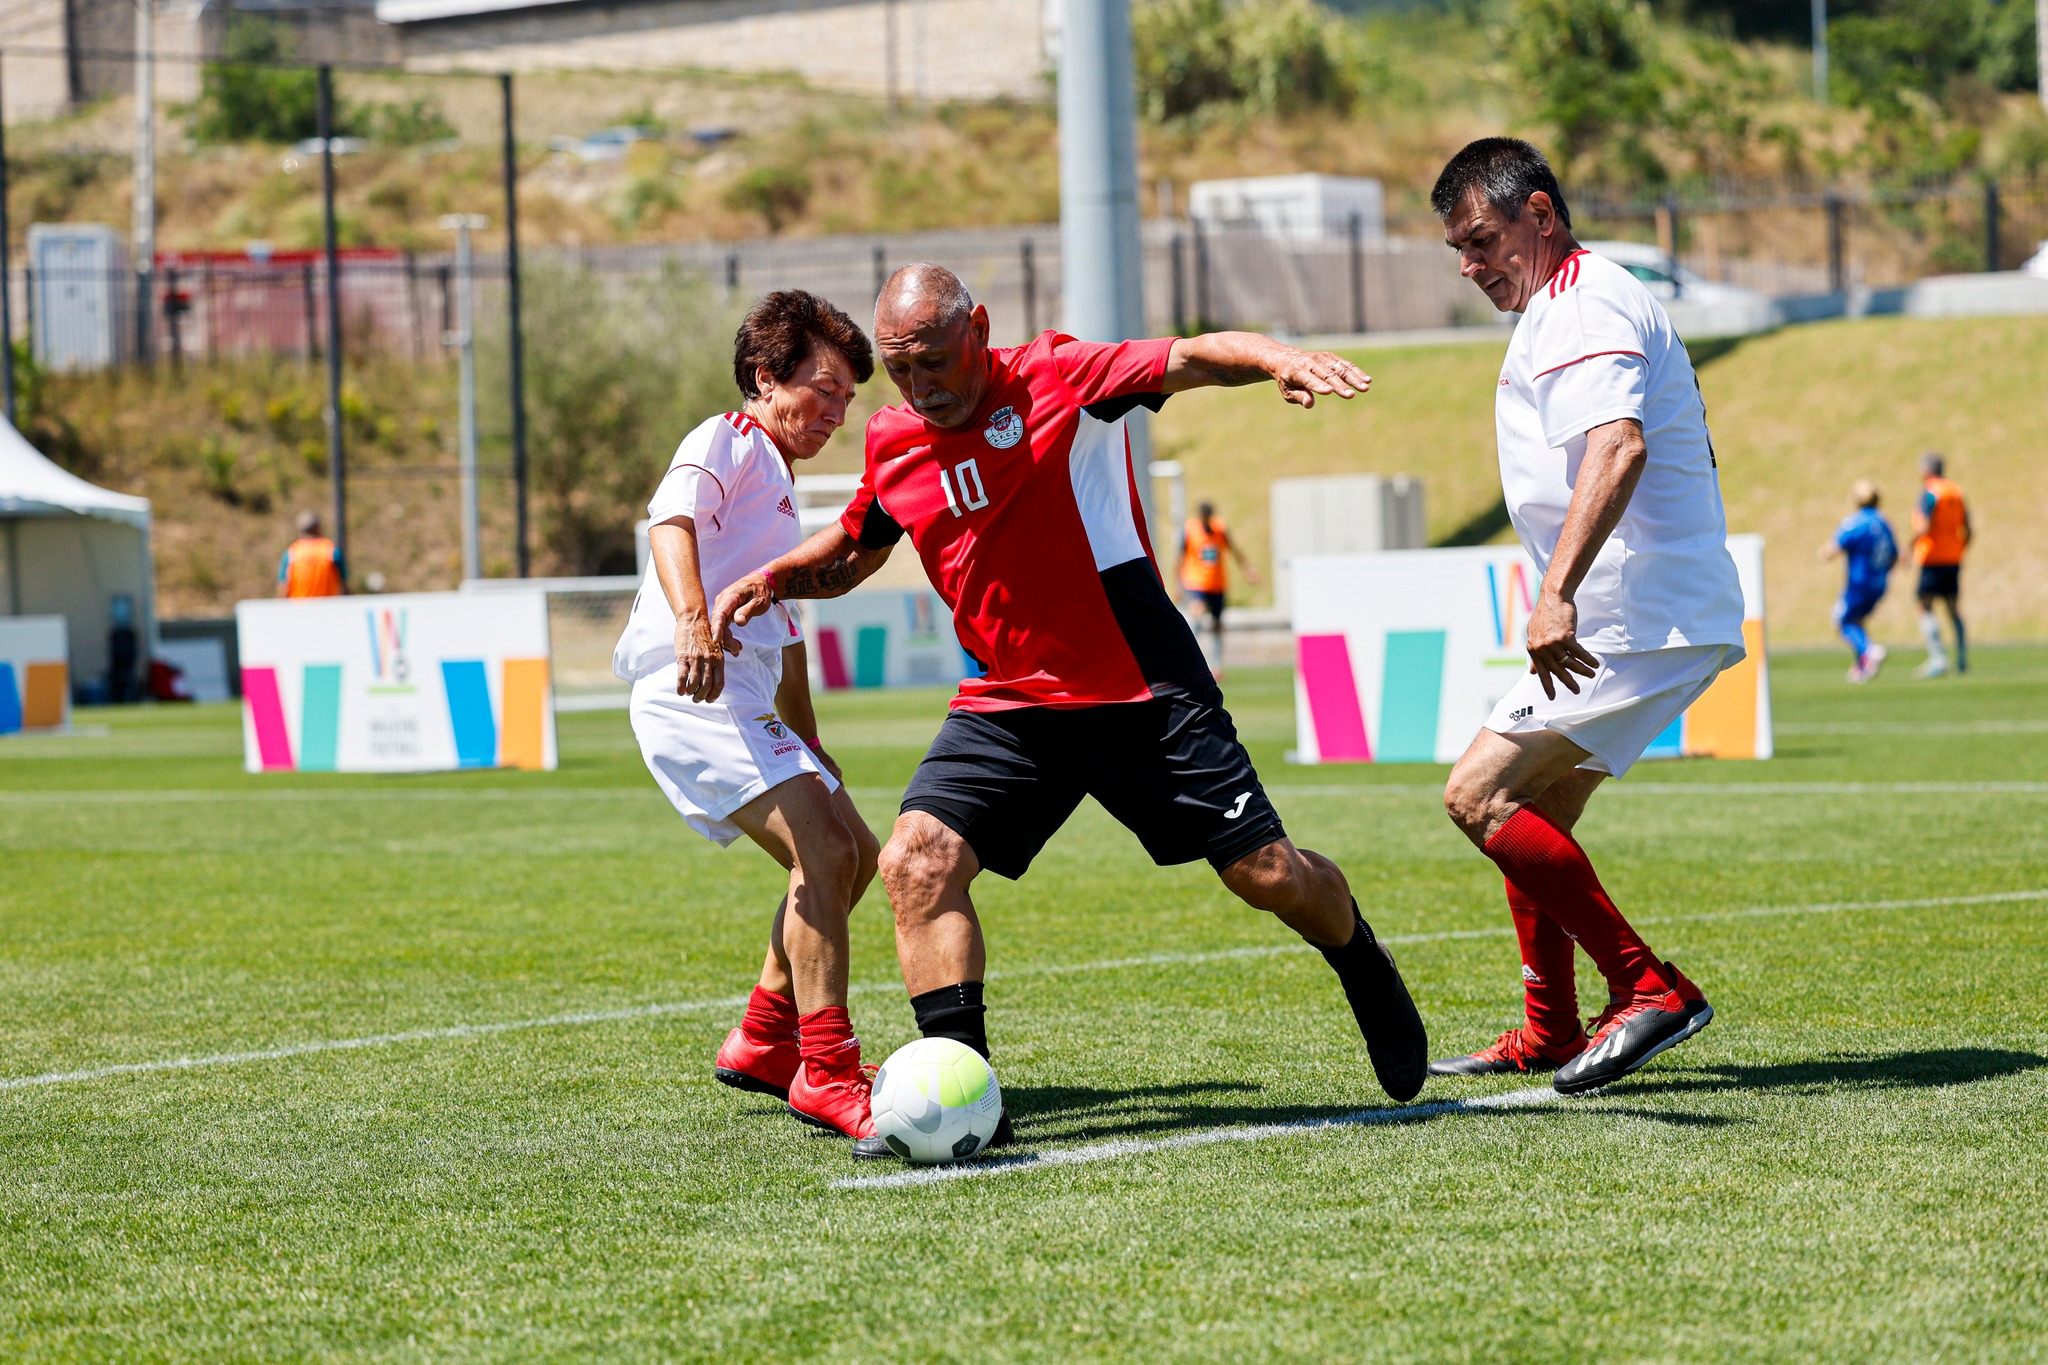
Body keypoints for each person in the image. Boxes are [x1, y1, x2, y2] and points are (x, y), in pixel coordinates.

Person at [712, 263, 1429, 1159]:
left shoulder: (1056, 375)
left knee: (1269, 875)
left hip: (1141, 691)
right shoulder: (896, 439)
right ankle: (966, 1095)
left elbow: (1191, 355)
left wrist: (1277, 357)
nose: (921, 387)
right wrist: (776, 576)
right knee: (916, 859)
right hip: (1009, 701)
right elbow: (857, 548)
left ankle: (1359, 954)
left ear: (978, 327)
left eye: (935, 360)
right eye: (902, 371)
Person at [1425, 139, 1730, 1094]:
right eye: (1460, 251)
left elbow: (1618, 448)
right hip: (1638, 608)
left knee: (1477, 796)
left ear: (1542, 215)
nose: (1472, 266)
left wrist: (1554, 593)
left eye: (1483, 241)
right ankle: (1552, 1028)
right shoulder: (1568, 300)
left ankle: (1649, 986)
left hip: (1634, 609)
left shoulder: (1587, 301)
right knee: (1539, 811)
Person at [611, 290, 884, 1139]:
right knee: (824, 853)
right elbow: (669, 519)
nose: (837, 411)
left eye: (847, 397)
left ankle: (766, 1039)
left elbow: (785, 628)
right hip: (690, 687)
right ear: (765, 378)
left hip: (742, 695)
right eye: (825, 387)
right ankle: (827, 1069)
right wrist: (694, 618)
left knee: (857, 855)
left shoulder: (776, 480)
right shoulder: (727, 438)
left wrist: (811, 742)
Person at [1820, 480, 1896, 683]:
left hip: (1859, 582)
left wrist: (1824, 553)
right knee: (1858, 621)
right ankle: (1862, 666)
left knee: (1842, 621)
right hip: (1879, 582)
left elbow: (1834, 547)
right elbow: (1894, 554)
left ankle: (1869, 651)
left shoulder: (1856, 522)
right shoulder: (1883, 523)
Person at [1178, 501, 1260, 676]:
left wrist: (1248, 570)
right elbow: (1180, 557)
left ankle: (1216, 666)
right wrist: (1177, 585)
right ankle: (1188, 659)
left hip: (1217, 584)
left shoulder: (1219, 529)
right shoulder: (1190, 530)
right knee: (1196, 614)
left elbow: (1235, 550)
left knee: (1216, 624)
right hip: (1196, 582)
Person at [1911, 452, 1971, 678]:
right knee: (1954, 609)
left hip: (1932, 557)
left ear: (1927, 470)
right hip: (1953, 557)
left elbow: (1924, 526)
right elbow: (1968, 528)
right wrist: (1959, 548)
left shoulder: (1929, 492)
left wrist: (1909, 548)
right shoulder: (1956, 491)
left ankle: (1938, 659)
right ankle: (1962, 658)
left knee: (1924, 606)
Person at [276, 512, 346, 598]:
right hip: (328, 607)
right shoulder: (331, 550)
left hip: (299, 608)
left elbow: (283, 588)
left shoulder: (291, 553)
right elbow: (343, 585)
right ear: (319, 528)